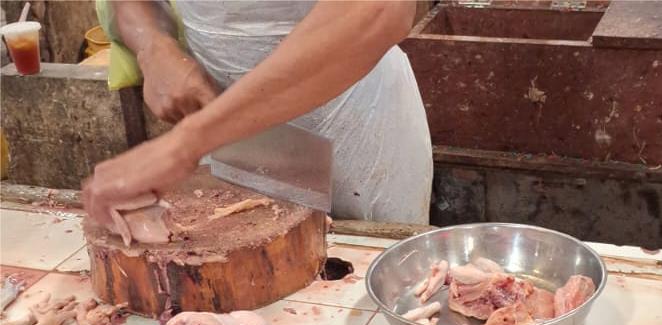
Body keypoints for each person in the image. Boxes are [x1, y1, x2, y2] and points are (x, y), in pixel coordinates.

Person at [83, 1, 433, 228]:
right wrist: (153, 46)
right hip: (219, 132)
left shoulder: (191, 140)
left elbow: (378, 9)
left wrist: (185, 145)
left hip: (354, 127)